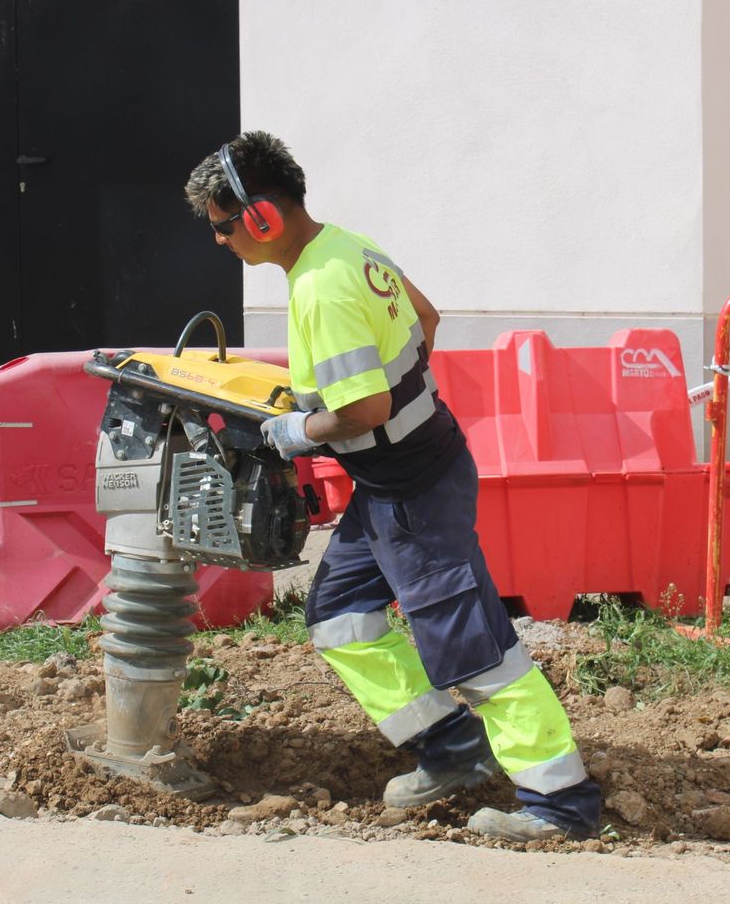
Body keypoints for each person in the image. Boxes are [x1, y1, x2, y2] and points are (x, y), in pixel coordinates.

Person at [183, 132, 602, 841]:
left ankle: (562, 804)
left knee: (476, 651)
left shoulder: (320, 285)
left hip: (413, 494)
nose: (221, 242)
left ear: (260, 218)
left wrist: (296, 433)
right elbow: (425, 319)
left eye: (223, 226)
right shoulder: (348, 247)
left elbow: (367, 409)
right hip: (401, 479)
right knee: (341, 617)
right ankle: (450, 750)